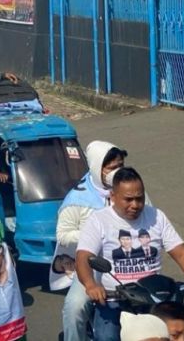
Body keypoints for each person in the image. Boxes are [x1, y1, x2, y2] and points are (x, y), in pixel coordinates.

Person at [76, 167, 184, 341]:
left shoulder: (157, 216)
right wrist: (91, 285)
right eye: (128, 199)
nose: (135, 205)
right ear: (113, 196)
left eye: (139, 198)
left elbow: (180, 253)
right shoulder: (98, 220)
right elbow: (83, 257)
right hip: (117, 299)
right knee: (107, 337)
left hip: (156, 298)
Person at [59, 141, 129, 341]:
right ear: (98, 167)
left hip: (130, 262)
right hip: (92, 267)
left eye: (120, 166)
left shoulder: (130, 188)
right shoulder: (78, 198)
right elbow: (63, 234)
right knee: (74, 309)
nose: (117, 172)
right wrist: (94, 236)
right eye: (112, 168)